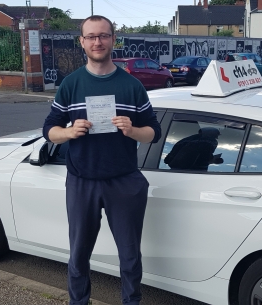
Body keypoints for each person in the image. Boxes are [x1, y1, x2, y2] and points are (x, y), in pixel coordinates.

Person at [42, 15, 161, 305]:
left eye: (104, 36)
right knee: (79, 254)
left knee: (130, 256)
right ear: (82, 42)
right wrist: (69, 132)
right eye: (91, 36)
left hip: (124, 181)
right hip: (82, 181)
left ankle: (132, 301)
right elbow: (49, 130)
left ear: (113, 40)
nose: (98, 41)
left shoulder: (131, 85)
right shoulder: (71, 84)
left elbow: (154, 133)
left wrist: (132, 130)